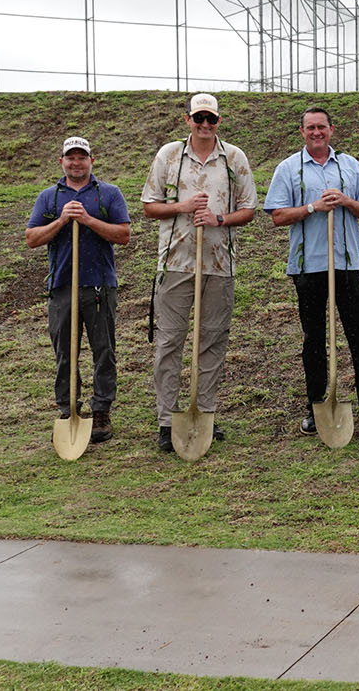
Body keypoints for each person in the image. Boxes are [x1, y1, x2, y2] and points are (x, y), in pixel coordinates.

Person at [142, 93, 257, 452]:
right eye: (199, 119)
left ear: (219, 121)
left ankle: (204, 412)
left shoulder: (233, 158)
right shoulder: (169, 156)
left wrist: (218, 218)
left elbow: (249, 208)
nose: (205, 125)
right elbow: (149, 205)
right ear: (188, 120)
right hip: (176, 263)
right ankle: (166, 419)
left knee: (212, 341)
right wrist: (184, 207)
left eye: (211, 119)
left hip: (219, 265)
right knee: (170, 342)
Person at [265, 107, 359, 435]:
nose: (317, 132)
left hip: (346, 265)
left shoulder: (350, 165)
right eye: (310, 128)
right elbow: (276, 216)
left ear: (331, 130)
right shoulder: (289, 168)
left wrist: (345, 201)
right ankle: (316, 406)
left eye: (322, 127)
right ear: (302, 132)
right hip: (308, 267)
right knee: (314, 340)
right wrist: (312, 207)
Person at [26, 136, 131, 443]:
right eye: (70, 158)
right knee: (64, 353)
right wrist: (61, 221)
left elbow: (123, 234)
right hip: (61, 286)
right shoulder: (49, 197)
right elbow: (32, 238)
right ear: (62, 162)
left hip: (99, 286)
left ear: (91, 161)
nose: (76, 162)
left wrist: (87, 219)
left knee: (104, 351)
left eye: (81, 157)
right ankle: (68, 408)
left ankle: (101, 411)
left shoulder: (108, 194)